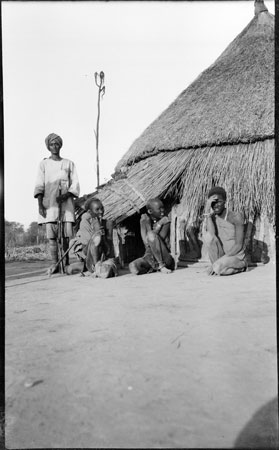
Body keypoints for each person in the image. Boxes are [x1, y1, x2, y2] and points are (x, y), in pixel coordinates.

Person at [34, 133, 80, 273]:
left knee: (65, 236)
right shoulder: (44, 164)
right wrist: (40, 205)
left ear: (60, 145)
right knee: (52, 237)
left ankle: (64, 263)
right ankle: (55, 264)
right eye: (52, 144)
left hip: (66, 205)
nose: (54, 146)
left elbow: (75, 183)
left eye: (57, 144)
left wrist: (66, 195)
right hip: (50, 205)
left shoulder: (68, 163)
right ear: (48, 146)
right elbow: (39, 185)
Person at [202, 186, 247, 275]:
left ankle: (239, 267)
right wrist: (207, 213)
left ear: (225, 202)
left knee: (218, 267)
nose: (215, 205)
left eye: (218, 202)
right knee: (207, 236)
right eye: (212, 203)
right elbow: (211, 236)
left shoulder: (236, 217)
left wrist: (219, 261)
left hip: (236, 256)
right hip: (221, 257)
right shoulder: (212, 218)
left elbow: (239, 245)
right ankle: (220, 267)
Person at [129, 197, 175, 275]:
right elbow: (146, 243)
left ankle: (161, 266)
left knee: (151, 234)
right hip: (150, 256)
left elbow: (158, 240)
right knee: (133, 266)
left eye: (163, 208)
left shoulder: (165, 220)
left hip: (165, 258)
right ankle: (152, 267)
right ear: (150, 211)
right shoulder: (145, 220)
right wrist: (144, 224)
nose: (162, 210)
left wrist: (159, 224)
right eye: (159, 208)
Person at [72, 197, 114, 275]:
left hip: (104, 255)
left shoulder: (107, 223)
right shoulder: (84, 223)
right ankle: (96, 267)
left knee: (108, 270)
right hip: (89, 256)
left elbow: (109, 249)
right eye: (97, 209)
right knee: (96, 237)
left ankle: (100, 267)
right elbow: (88, 246)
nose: (101, 211)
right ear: (89, 212)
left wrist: (104, 238)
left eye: (102, 208)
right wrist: (97, 229)